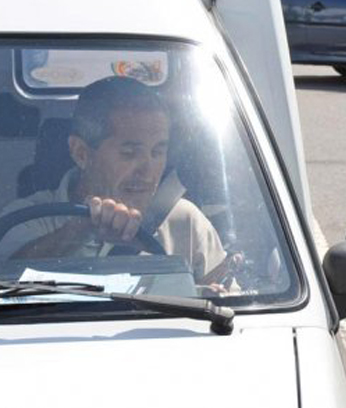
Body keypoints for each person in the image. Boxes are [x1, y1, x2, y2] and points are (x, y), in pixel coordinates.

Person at [0, 76, 229, 285]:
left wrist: (216, 294)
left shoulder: (185, 221)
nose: (148, 172)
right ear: (81, 153)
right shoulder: (26, 220)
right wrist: (81, 230)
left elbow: (227, 312)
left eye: (158, 152)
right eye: (129, 153)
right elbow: (8, 280)